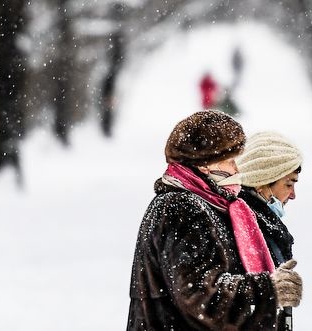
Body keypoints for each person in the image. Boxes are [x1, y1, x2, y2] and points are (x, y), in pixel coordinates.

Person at [127, 110, 303, 330]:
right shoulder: (181, 207)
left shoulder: (204, 205)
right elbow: (199, 296)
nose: (237, 170)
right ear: (205, 164)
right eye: (230, 161)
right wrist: (268, 290)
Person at [236, 132, 303, 331]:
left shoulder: (264, 225)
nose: (293, 195)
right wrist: (270, 289)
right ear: (261, 182)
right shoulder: (245, 229)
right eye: (288, 184)